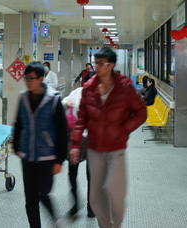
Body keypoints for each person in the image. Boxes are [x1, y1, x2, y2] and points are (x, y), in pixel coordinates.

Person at [70, 47, 147, 228]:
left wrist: (123, 130)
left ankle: (116, 224)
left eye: (100, 63)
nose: (96, 66)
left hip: (116, 148)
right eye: (95, 63)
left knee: (114, 190)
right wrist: (75, 144)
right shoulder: (88, 88)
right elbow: (81, 120)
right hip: (94, 148)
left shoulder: (124, 88)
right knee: (95, 198)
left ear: (111, 65)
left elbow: (141, 112)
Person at [13, 61, 68, 228]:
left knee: (43, 193)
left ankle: (55, 219)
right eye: (26, 78)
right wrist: (16, 145)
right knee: (30, 199)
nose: (28, 82)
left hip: (47, 156)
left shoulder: (54, 99)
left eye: (31, 78)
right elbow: (19, 123)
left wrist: (59, 160)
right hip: (28, 155)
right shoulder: (23, 97)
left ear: (41, 78)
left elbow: (62, 131)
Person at [62, 86, 94, 218]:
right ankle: (79, 204)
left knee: (89, 175)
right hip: (77, 139)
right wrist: (67, 104)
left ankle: (88, 206)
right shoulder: (77, 92)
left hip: (90, 139)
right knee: (74, 174)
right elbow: (64, 101)